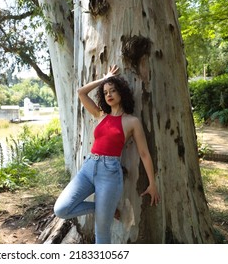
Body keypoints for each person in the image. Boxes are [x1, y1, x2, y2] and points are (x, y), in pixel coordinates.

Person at [53, 65, 160, 244]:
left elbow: (144, 153)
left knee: (101, 233)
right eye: (105, 92)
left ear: (122, 93)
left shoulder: (131, 121)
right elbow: (81, 92)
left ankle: (105, 211)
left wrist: (152, 183)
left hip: (109, 174)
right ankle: (102, 208)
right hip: (88, 168)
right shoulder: (101, 115)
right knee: (61, 209)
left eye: (113, 90)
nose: (108, 94)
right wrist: (105, 78)